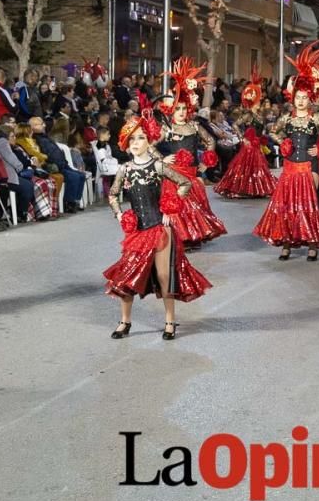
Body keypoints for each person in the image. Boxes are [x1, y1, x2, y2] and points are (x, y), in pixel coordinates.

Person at [104, 109, 212, 341]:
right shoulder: (124, 169)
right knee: (127, 275)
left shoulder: (158, 166)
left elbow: (184, 183)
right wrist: (120, 215)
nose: (136, 142)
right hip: (137, 230)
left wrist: (170, 209)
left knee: (165, 276)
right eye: (131, 138)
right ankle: (125, 321)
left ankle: (170, 321)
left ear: (149, 140)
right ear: (125, 142)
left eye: (141, 137)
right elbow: (113, 195)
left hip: (160, 229)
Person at [254, 45, 319, 261]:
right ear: (292, 98)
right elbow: (272, 132)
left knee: (309, 205)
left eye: (304, 97)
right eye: (298, 97)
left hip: (309, 166)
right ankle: (287, 244)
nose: (301, 100)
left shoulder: (316, 118)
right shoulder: (288, 118)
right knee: (287, 207)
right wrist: (283, 142)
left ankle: (312, 244)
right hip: (290, 168)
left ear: (310, 98)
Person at [152, 57, 226, 248]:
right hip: (174, 175)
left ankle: (193, 236)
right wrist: (162, 159)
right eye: (178, 109)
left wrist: (206, 162)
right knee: (178, 207)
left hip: (192, 173)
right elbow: (149, 146)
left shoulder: (194, 126)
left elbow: (210, 140)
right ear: (171, 110)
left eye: (184, 108)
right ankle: (181, 238)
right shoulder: (167, 129)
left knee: (193, 207)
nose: (182, 112)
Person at [214, 68, 277, 198]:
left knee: (257, 168)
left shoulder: (260, 115)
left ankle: (256, 188)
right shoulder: (249, 114)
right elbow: (235, 125)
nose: (261, 100)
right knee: (246, 168)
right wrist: (243, 138)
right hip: (249, 146)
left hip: (257, 145)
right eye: (259, 99)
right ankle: (244, 189)